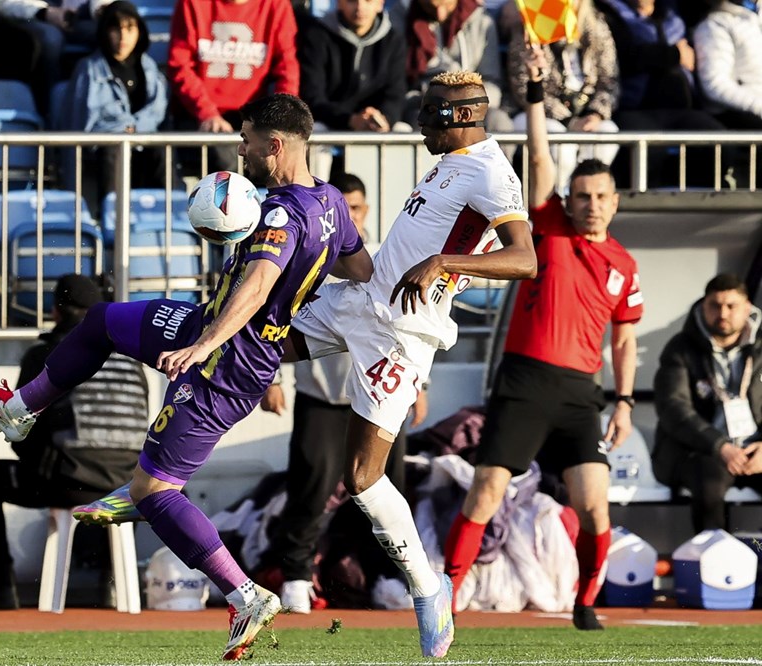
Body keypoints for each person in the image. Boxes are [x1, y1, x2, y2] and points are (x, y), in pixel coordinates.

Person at [0, 93, 372, 660]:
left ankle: (244, 594)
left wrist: (207, 343)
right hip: (208, 328)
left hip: (228, 364)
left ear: (275, 146)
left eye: (246, 140)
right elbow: (360, 267)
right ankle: (21, 408)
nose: (239, 149)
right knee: (101, 319)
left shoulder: (282, 215)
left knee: (157, 489)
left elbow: (255, 287)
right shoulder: (328, 202)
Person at [274, 70, 535, 658]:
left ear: (462, 118)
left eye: (430, 113)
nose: (419, 121)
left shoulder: (491, 172)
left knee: (362, 478)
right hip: (362, 303)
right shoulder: (450, 159)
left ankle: (428, 587)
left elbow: (525, 259)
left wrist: (445, 263)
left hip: (400, 335)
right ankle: (155, 471)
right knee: (255, 343)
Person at [442, 48, 643, 632]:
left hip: (582, 393)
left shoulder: (624, 264)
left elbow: (625, 341)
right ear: (569, 200)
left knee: (594, 505)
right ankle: (447, 602)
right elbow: (539, 155)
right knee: (485, 492)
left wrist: (625, 401)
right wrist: (535, 97)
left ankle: (585, 604)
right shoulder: (548, 225)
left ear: (615, 200)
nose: (591, 204)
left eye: (601, 196)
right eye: (582, 196)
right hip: (526, 380)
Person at [256, 172, 428, 613]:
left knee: (389, 488)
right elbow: (276, 309)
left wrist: (420, 384)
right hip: (325, 393)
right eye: (343, 208)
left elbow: (412, 318)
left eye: (356, 207)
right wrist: (272, 376)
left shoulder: (389, 255)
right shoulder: (312, 247)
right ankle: (296, 575)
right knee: (309, 487)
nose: (349, 215)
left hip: (381, 393)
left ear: (365, 211)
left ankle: (389, 577)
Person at [0, 274, 146, 610]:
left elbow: (20, 425)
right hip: (127, 485)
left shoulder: (46, 353)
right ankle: (111, 586)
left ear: (56, 311)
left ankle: (1, 587)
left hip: (67, 483)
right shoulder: (131, 361)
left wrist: (38, 462)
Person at [652, 274, 762, 533]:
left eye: (731, 306)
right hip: (700, 451)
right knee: (708, 478)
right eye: (715, 305)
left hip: (754, 450)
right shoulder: (680, 348)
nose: (722, 313)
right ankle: (713, 564)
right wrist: (719, 446)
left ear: (747, 307)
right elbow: (673, 408)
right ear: (703, 306)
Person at [596, 0, 729, 188]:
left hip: (683, 110)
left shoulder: (674, 10)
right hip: (634, 110)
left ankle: (706, 210)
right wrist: (674, 54)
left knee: (719, 144)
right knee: (645, 152)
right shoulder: (606, 12)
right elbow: (623, 56)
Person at [57, 0, 170, 217]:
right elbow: (81, 123)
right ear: (105, 31)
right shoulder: (88, 70)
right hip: (102, 152)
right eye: (115, 28)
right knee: (114, 149)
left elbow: (157, 111)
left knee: (161, 151)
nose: (123, 36)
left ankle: (170, 221)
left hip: (143, 144)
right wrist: (123, 129)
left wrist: (133, 128)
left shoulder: (149, 68)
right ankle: (111, 221)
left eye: (129, 28)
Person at [167, 0, 300, 174]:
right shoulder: (192, 3)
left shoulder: (276, 5)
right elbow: (180, 65)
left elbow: (287, 67)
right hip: (200, 116)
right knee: (227, 157)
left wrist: (280, 115)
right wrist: (207, 113)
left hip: (253, 115)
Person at [506, 0, 620, 192]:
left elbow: (610, 81)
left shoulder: (597, 27)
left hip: (586, 112)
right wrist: (569, 121)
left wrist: (595, 114)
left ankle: (585, 196)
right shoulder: (531, 28)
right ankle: (557, 200)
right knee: (562, 147)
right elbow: (522, 86)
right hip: (539, 113)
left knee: (607, 132)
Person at [297, 0, 409, 178]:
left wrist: (384, 119)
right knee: (315, 134)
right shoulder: (317, 34)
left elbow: (395, 94)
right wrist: (350, 120)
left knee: (403, 133)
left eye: (368, 1)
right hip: (329, 122)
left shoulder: (394, 40)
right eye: (351, 1)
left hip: (373, 123)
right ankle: (315, 201)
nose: (360, 7)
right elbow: (312, 97)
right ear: (339, 3)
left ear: (380, 4)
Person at [401, 0, 513, 141]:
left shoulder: (482, 22)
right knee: (423, 122)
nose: (439, 14)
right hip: (423, 102)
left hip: (472, 104)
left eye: (445, 5)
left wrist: (464, 101)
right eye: (431, 6)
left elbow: (492, 83)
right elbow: (398, 84)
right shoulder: (402, 16)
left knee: (499, 122)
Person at [692, 0, 762, 130]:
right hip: (738, 119)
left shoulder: (755, 18)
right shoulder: (714, 24)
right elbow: (715, 84)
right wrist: (758, 106)